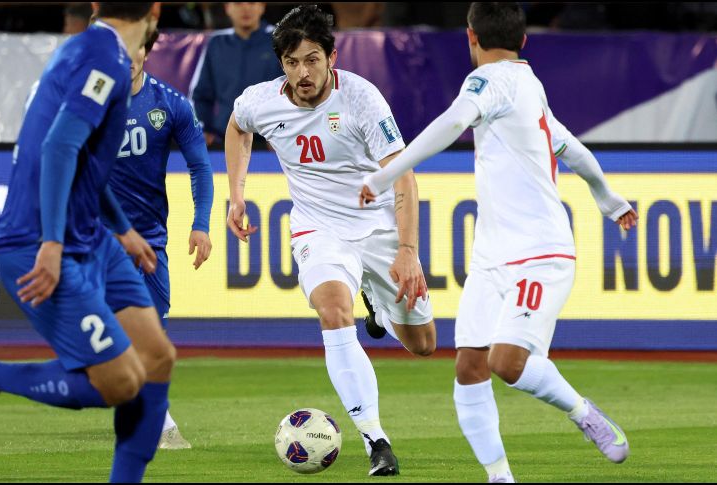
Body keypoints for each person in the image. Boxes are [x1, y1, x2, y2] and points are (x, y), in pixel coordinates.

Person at [359, 3, 638, 483]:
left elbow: (452, 122)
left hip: (541, 253)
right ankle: (500, 478)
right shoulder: (529, 85)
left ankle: (582, 412)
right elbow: (571, 147)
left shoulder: (486, 81)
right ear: (525, 40)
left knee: (506, 362)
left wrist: (387, 174)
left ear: (471, 37)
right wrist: (609, 199)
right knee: (469, 367)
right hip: (491, 258)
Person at [0, 4, 175, 483]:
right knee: (120, 381)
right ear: (155, 10)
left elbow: (86, 162)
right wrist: (51, 243)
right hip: (37, 239)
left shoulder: (83, 48)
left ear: (95, 6)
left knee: (157, 358)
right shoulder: (106, 60)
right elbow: (58, 148)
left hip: (91, 234)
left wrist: (123, 230)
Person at [225, 5, 437, 477]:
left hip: (378, 228)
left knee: (423, 344)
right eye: (293, 62)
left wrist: (407, 252)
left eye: (313, 59)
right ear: (281, 63)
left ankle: (378, 304)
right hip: (318, 230)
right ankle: (376, 440)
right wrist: (235, 195)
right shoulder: (262, 101)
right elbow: (238, 127)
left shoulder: (361, 99)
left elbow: (404, 179)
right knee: (333, 312)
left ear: (332, 57)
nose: (303, 73)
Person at [111, 29, 214, 450]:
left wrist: (201, 223)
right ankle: (159, 419)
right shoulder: (90, 105)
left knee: (154, 332)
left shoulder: (170, 104)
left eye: (134, 50)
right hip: (97, 236)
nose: (127, 59)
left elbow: (200, 167)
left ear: (146, 52)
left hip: (150, 239)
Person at [189, 2, 284, 146]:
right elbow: (201, 95)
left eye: (252, 3)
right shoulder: (216, 43)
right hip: (223, 139)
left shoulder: (281, 41)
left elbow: (292, 94)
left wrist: (281, 132)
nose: (246, 8)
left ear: (262, 6)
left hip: (269, 141)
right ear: (227, 8)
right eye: (238, 3)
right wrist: (204, 128)